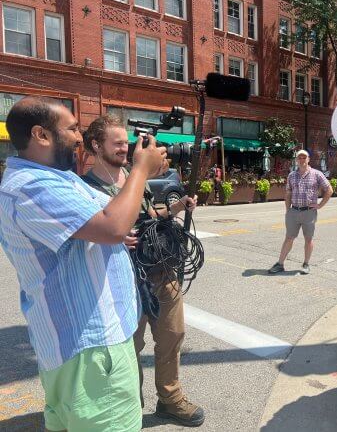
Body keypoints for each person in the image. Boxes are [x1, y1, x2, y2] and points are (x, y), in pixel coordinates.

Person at [0, 97, 167, 432]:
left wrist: (141, 178)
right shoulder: (32, 186)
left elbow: (113, 215)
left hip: (79, 347)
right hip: (92, 348)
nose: (79, 138)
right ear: (41, 135)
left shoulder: (59, 178)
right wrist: (140, 169)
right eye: (73, 128)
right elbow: (112, 226)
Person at [81, 115, 204, 427]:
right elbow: (84, 235)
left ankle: (171, 400)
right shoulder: (87, 188)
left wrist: (176, 208)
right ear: (96, 145)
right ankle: (130, 406)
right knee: (129, 349)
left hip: (162, 270)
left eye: (127, 142)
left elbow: (149, 214)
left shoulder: (132, 176)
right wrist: (115, 236)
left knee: (172, 336)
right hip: (124, 282)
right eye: (118, 143)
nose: (126, 148)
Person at [269, 149, 333, 275]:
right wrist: (288, 211)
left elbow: (329, 189)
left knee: (308, 239)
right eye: (299, 158)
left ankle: (306, 264)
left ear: (308, 159)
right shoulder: (292, 175)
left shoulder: (317, 174)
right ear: (296, 160)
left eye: (304, 157)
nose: (302, 160)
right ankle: (280, 264)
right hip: (294, 211)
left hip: (309, 212)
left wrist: (320, 205)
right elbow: (288, 193)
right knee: (289, 238)